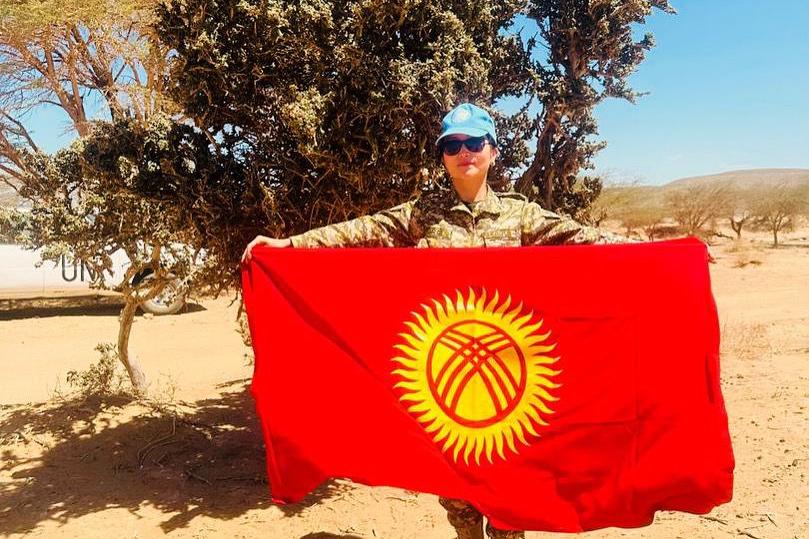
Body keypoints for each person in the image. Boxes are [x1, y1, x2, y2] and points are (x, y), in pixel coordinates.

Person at [242, 103, 623, 539]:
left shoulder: (521, 216)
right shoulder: (424, 213)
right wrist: (291, 245)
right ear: (443, 156)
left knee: (509, 495)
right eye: (452, 146)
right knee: (457, 495)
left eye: (474, 142)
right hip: (445, 378)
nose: (464, 152)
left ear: (493, 151)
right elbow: (362, 231)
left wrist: (669, 255)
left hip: (509, 380)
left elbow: (588, 241)